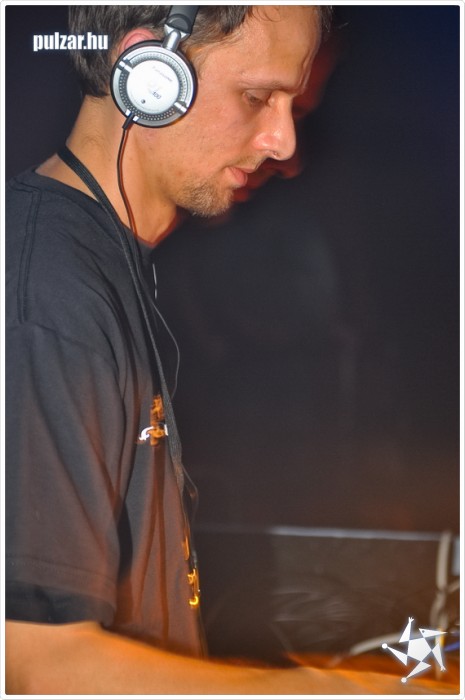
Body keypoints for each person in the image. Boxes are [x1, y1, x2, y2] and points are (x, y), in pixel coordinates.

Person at [4, 5, 455, 695]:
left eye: (291, 106)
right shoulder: (46, 294)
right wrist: (329, 690)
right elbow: (35, 665)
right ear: (145, 73)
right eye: (256, 97)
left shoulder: (97, 267)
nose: (282, 142)